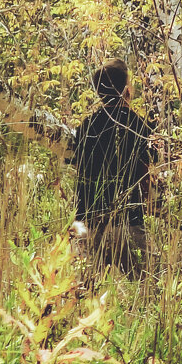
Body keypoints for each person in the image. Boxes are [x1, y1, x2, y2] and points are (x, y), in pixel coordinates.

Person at [73, 58, 152, 273]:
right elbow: (146, 175)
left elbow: (78, 169)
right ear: (127, 90)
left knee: (82, 296)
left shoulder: (85, 127)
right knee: (149, 287)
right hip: (127, 223)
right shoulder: (138, 126)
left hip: (86, 224)